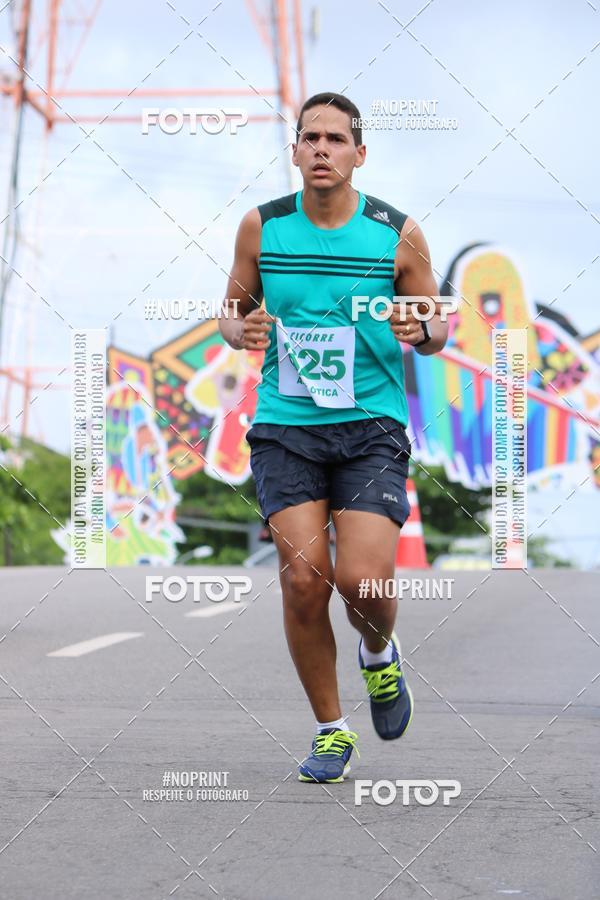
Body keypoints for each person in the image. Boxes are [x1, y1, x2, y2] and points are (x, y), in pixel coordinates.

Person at [219, 92, 448, 783]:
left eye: (335, 139)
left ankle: (378, 655)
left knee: (363, 578)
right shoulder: (262, 229)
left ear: (359, 153)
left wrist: (422, 330)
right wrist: (241, 330)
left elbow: (437, 326)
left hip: (370, 428)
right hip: (287, 427)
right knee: (301, 582)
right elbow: (231, 310)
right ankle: (330, 731)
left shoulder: (397, 233)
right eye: (309, 138)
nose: (321, 149)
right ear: (294, 151)